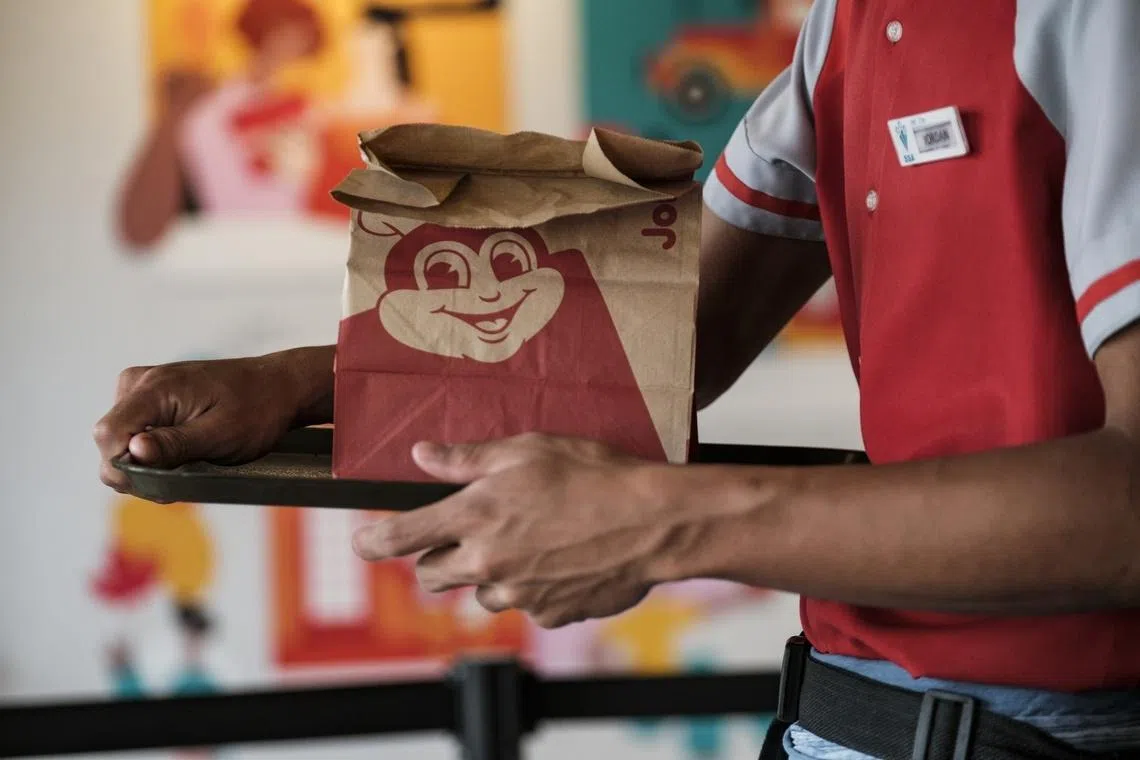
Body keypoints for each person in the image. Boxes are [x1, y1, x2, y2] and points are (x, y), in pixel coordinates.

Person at [96, 1, 1140, 757]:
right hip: (847, 711)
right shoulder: (847, 24)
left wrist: (666, 523)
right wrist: (305, 381)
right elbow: (659, 345)